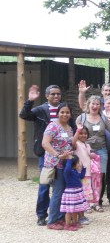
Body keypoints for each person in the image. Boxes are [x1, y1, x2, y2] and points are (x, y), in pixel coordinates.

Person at [19, 84, 75, 226]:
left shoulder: (66, 110)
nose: (56, 96)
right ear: (47, 96)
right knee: (45, 184)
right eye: (53, 94)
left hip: (64, 156)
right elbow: (24, 115)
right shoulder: (40, 110)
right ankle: (42, 214)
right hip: (46, 153)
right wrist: (30, 101)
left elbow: (72, 129)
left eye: (58, 94)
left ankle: (59, 215)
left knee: (61, 186)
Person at [76, 95, 110, 212]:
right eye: (92, 104)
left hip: (101, 151)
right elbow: (76, 134)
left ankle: (97, 202)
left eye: (97, 104)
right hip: (85, 151)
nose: (95, 106)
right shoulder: (81, 118)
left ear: (100, 106)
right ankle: (85, 202)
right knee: (85, 177)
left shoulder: (103, 117)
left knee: (99, 177)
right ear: (88, 105)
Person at [41, 103, 75, 230]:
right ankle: (52, 220)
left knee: (63, 192)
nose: (65, 114)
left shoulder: (69, 128)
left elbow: (70, 144)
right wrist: (57, 155)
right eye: (62, 112)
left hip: (66, 164)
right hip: (56, 164)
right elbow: (45, 143)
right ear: (58, 113)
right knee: (57, 192)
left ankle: (60, 218)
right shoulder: (53, 126)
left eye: (67, 112)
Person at [60, 156, 88, 231]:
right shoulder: (68, 172)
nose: (79, 163)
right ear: (73, 164)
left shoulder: (74, 171)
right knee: (69, 210)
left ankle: (74, 222)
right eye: (78, 162)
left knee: (75, 209)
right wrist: (69, 159)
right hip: (71, 193)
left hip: (76, 192)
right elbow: (67, 169)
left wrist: (84, 168)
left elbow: (81, 176)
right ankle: (67, 224)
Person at [73, 126, 95, 216]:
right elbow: (73, 142)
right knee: (83, 189)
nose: (83, 135)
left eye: (85, 133)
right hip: (80, 171)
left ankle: (87, 203)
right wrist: (77, 131)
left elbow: (90, 154)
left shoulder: (87, 144)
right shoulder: (77, 144)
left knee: (87, 188)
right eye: (81, 133)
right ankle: (84, 205)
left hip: (88, 171)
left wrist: (92, 155)